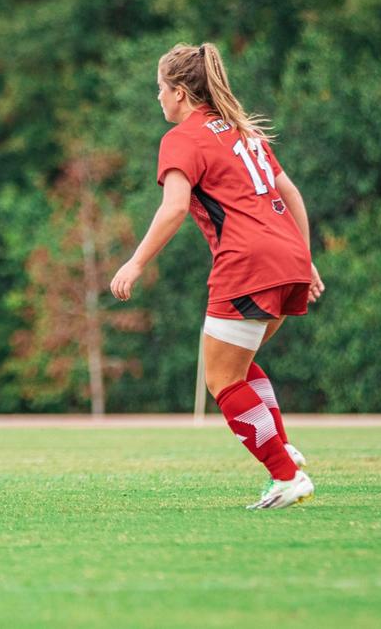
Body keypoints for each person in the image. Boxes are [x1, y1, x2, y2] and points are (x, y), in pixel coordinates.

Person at [109, 42, 325, 510]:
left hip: (247, 263)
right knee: (238, 368)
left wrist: (136, 262)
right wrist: (304, 260)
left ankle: (285, 474)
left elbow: (173, 209)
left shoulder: (182, 139)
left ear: (181, 93)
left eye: (160, 90)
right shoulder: (242, 131)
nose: (158, 99)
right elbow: (290, 193)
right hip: (287, 256)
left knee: (222, 380)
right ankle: (281, 450)